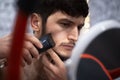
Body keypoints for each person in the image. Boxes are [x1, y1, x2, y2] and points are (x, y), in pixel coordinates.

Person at [0, 0, 89, 80]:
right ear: (36, 22)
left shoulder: (81, 73)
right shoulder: (5, 67)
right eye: (65, 24)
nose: (75, 37)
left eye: (79, 27)